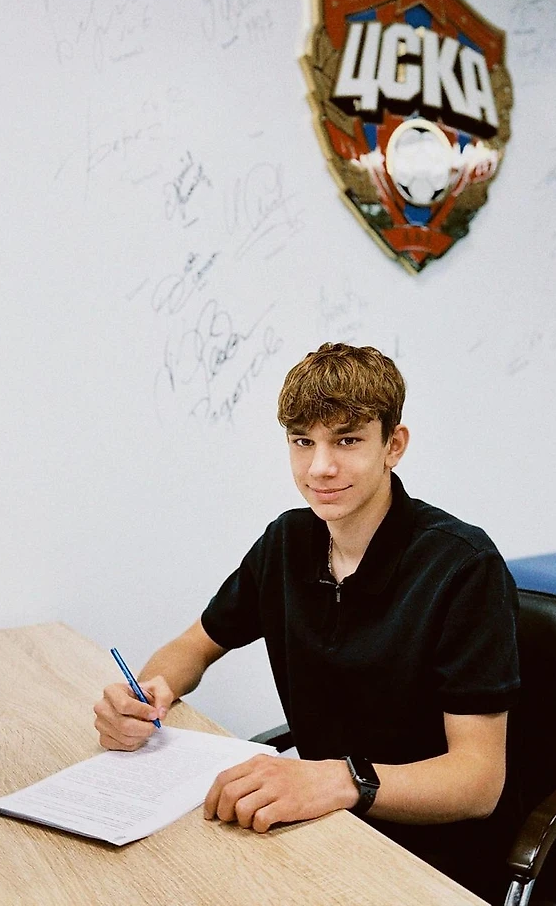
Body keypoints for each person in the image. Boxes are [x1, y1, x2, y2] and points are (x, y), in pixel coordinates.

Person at [94, 342, 521, 901]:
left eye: (347, 440)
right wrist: (148, 694)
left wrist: (342, 779)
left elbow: (478, 783)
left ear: (393, 445)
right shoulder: (288, 541)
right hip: (319, 825)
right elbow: (193, 646)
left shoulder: (462, 567)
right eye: (302, 442)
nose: (320, 467)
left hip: (430, 855)